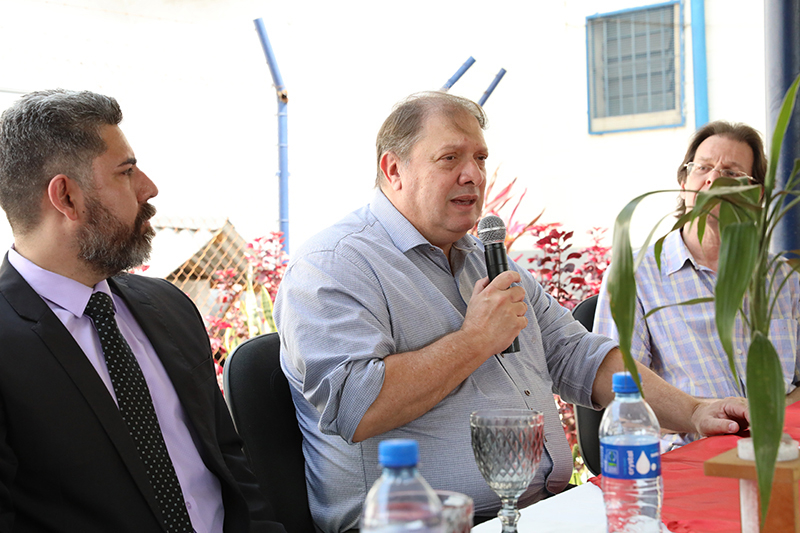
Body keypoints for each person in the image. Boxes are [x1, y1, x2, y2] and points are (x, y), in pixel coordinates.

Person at [273, 92, 750, 532]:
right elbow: (357, 405)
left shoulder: (485, 256)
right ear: (393, 170)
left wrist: (694, 411)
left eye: (479, 158)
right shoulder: (333, 265)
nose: (474, 175)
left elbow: (578, 354)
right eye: (450, 158)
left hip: (545, 511)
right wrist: (475, 339)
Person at [0, 89, 287, 533]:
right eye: (126, 171)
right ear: (67, 198)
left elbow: (232, 466)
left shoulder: (169, 306)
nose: (149, 188)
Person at [594, 120, 800, 449]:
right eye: (703, 167)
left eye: (731, 173)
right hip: (689, 454)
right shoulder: (635, 274)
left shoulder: (782, 280)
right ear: (683, 182)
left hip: (777, 448)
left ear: (756, 194)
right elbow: (619, 391)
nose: (713, 180)